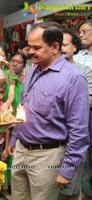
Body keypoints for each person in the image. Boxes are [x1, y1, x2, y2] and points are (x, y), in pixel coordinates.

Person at [8, 21, 90, 200]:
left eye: (36, 48)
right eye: (29, 47)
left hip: (48, 156)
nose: (30, 52)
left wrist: (67, 170)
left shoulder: (73, 78)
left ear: (55, 47)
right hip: (22, 151)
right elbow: (23, 108)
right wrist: (14, 140)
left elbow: (79, 131)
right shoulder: (32, 72)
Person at [58, 28, 92, 200]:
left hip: (74, 131)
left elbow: (88, 99)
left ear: (74, 48)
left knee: (70, 185)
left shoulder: (83, 71)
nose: (61, 48)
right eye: (58, 44)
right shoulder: (47, 69)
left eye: (64, 45)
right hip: (53, 137)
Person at [73, 20, 92, 200]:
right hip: (81, 111)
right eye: (80, 32)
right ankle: (84, 192)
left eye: (85, 31)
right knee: (84, 154)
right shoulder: (77, 57)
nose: (81, 35)